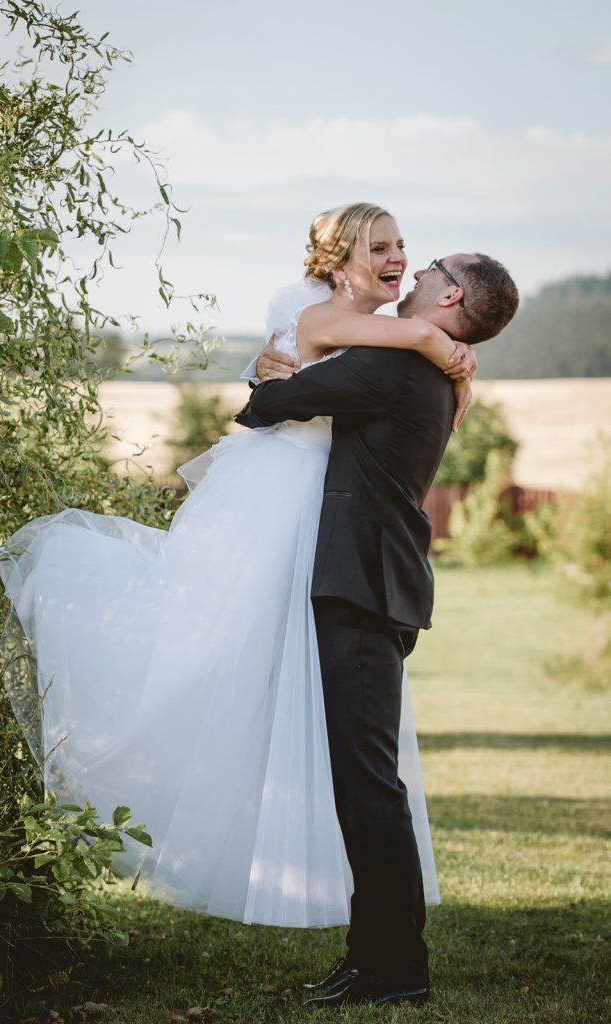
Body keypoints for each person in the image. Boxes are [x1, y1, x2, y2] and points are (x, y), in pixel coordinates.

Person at [0, 203, 472, 933]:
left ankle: (373, 939)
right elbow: (302, 374)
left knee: (319, 722)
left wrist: (433, 354)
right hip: (287, 503)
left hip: (332, 526)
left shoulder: (391, 350)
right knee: (224, 662)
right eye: (382, 247)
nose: (399, 258)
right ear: (339, 262)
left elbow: (310, 383)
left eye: (405, 246)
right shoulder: (355, 325)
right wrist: (444, 350)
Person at [235, 232, 519, 1007]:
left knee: (368, 784)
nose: (419, 268)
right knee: (366, 781)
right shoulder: (423, 365)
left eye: (433, 266)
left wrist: (268, 368)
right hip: (377, 585)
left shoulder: (398, 363)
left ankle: (395, 966)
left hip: (363, 588)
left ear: (451, 295)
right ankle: (375, 957)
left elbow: (267, 408)